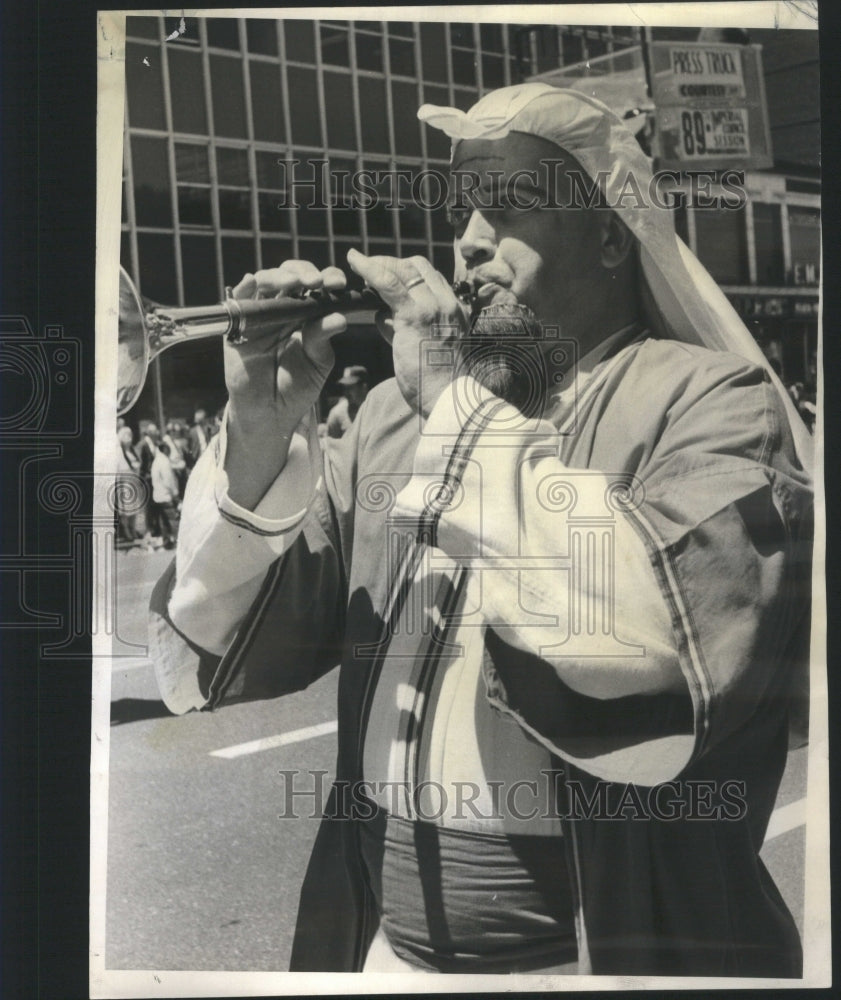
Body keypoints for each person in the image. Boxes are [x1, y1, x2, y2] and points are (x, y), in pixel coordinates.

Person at [150, 84, 813, 976]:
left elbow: (638, 636)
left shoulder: (710, 402)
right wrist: (264, 428)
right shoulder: (391, 414)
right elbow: (231, 625)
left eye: (505, 207)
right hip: (384, 953)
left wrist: (451, 404)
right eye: (464, 208)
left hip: (595, 961)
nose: (465, 240)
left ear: (612, 236)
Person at [150, 441, 181, 549]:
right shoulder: (164, 461)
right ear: (165, 450)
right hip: (166, 495)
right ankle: (180, 542)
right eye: (169, 450)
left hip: (157, 496)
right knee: (173, 520)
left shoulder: (156, 461)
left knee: (164, 522)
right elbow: (169, 480)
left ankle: (167, 541)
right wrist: (175, 494)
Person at [326, 365, 369, 439]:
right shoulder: (336, 414)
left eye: (350, 387)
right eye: (345, 388)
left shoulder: (376, 410)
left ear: (363, 387)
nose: (346, 392)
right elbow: (332, 447)